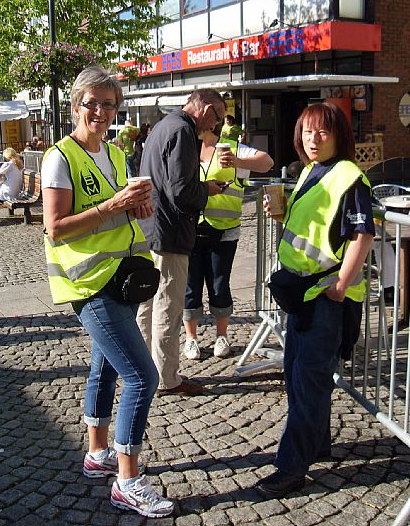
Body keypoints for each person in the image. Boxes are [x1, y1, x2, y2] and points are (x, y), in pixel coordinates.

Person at [41, 65, 173, 518]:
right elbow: (55, 227)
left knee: (106, 369)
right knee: (143, 376)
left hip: (120, 278)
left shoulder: (117, 155)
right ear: (76, 105)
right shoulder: (60, 157)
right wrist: (112, 204)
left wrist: (138, 206)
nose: (100, 111)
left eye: (109, 104)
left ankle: (98, 454)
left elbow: (122, 215)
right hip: (88, 285)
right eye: (91, 103)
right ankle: (128, 480)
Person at [255, 102, 374, 499]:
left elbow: (362, 235)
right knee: (299, 375)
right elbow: (316, 231)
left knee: (307, 380)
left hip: (326, 297)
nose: (313, 139)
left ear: (339, 135)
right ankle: (318, 444)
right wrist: (281, 217)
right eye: (307, 131)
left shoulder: (349, 176)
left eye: (322, 132)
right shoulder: (310, 170)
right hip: (304, 293)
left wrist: (341, 284)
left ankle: (290, 468)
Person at [136, 89, 226, 396]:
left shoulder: (164, 125)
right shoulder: (184, 131)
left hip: (151, 228)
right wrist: (208, 190)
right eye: (218, 119)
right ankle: (166, 379)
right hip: (170, 232)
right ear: (206, 109)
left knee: (148, 305)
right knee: (167, 307)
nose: (214, 128)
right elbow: (182, 191)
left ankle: (144, 371)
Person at [183, 129, 274, 360]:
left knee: (219, 284)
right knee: (190, 286)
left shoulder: (232, 148)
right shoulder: (186, 147)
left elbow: (267, 162)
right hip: (190, 228)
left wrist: (238, 161)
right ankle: (191, 338)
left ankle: (221, 335)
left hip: (224, 228)